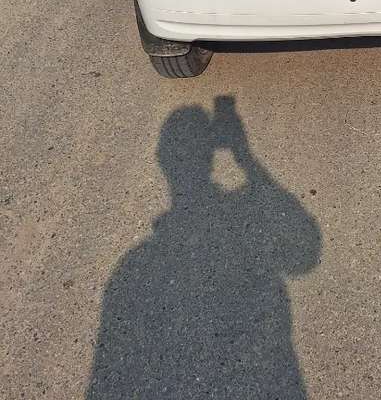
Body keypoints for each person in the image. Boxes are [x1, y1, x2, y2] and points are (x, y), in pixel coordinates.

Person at [86, 98, 321, 399]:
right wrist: (245, 157)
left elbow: (105, 379)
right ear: (211, 159)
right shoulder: (134, 267)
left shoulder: (132, 269)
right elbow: (305, 255)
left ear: (160, 161)